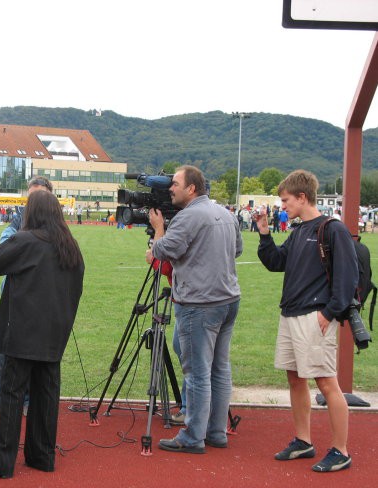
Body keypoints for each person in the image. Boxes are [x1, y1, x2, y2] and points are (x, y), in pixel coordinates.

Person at [0, 190, 84, 480]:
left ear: (32, 213)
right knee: (46, 396)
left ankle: (1, 463)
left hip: (23, 333)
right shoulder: (71, 247)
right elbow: (75, 292)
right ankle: (42, 455)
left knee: (12, 396)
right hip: (54, 334)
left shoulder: (26, 241)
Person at [254, 170, 357, 473]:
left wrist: (330, 312)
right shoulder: (298, 230)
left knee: (326, 382)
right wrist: (263, 233)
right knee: (295, 379)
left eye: (286, 200)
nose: (282, 205)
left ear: (302, 197)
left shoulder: (332, 228)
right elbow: (276, 263)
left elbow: (348, 276)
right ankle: (303, 440)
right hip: (290, 313)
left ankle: (341, 449)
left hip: (315, 316)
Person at [145, 165, 242, 454]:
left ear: (191, 188)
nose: (169, 189)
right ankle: (215, 432)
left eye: (174, 184)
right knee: (220, 368)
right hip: (228, 299)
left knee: (197, 373)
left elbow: (161, 252)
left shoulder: (188, 217)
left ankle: (193, 436)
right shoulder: (225, 212)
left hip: (200, 303)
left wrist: (159, 229)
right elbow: (237, 249)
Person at [0, 175, 53, 417]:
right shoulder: (17, 220)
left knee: (34, 352)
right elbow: (6, 246)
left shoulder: (55, 224)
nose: (32, 201)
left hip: (40, 299)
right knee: (5, 348)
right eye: (30, 196)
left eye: (39, 196)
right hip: (13, 297)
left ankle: (27, 399)